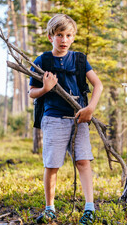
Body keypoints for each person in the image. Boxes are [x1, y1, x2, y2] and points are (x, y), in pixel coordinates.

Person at [29, 14, 103, 225]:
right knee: (52, 164)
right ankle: (49, 208)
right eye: (59, 35)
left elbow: (98, 85)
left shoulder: (80, 59)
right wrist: (45, 88)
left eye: (68, 35)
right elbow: (32, 93)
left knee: (83, 161)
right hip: (53, 118)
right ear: (50, 36)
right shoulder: (42, 61)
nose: (63, 39)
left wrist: (90, 108)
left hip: (80, 118)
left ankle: (90, 208)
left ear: (73, 37)